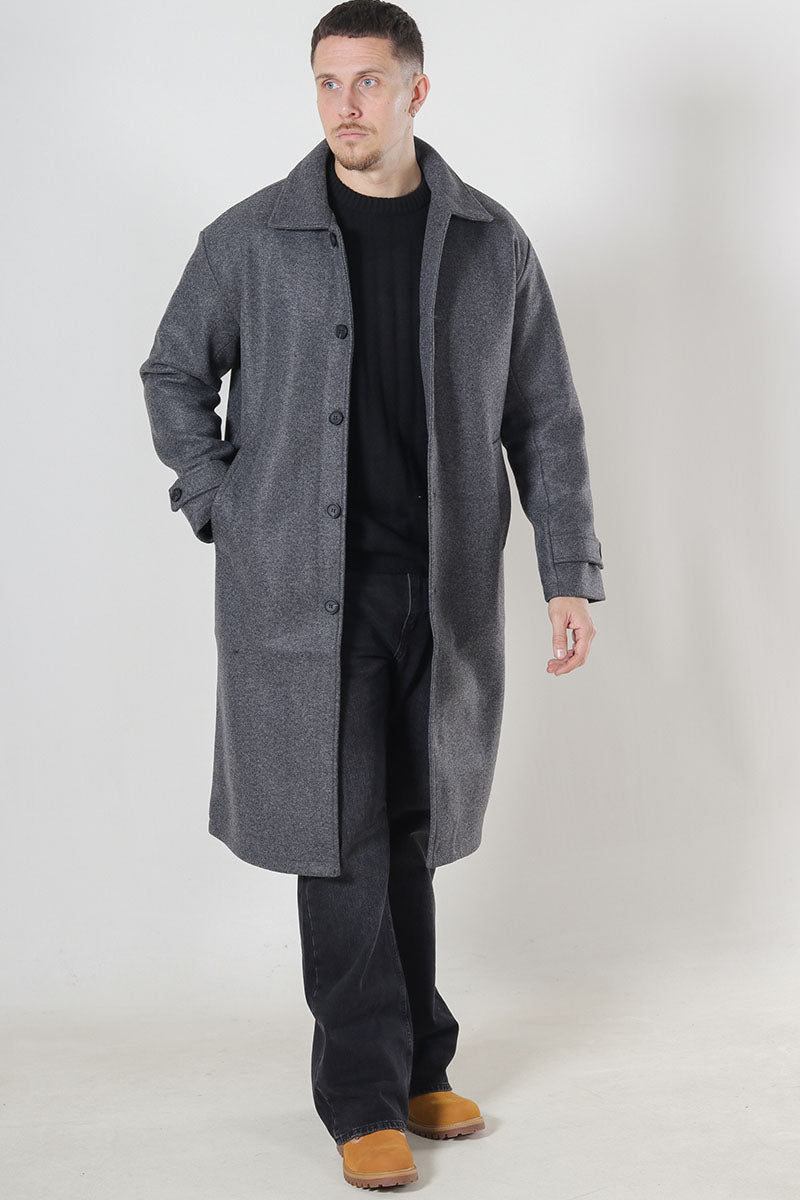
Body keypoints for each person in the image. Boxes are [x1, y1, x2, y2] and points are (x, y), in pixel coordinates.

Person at [140, 0, 605, 1188]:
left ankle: (416, 1064)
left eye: (366, 81)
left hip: (437, 594)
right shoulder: (252, 239)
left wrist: (567, 574)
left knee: (406, 830)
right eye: (325, 82)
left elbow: (543, 417)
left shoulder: (491, 243)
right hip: (303, 600)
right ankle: (359, 1099)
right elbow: (174, 370)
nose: (343, 104)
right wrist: (221, 502)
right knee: (339, 840)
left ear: (414, 91)